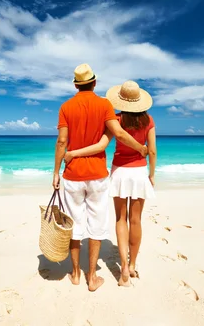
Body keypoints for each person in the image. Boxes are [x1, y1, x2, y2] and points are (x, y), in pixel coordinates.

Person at [53, 65, 148, 292]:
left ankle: (75, 273)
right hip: (97, 175)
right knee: (96, 226)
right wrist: (140, 148)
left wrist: (56, 171)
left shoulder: (66, 107)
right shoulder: (105, 105)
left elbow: (62, 142)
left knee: (73, 224)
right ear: (94, 83)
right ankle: (92, 277)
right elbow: (119, 134)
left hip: (73, 174)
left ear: (75, 84)